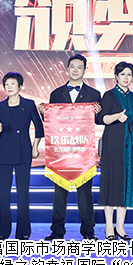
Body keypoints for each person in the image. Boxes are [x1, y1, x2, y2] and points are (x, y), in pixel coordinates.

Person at [43, 54, 101, 241]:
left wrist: (98, 113)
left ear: (85, 70)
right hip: (62, 151)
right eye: (72, 67)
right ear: (67, 69)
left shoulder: (94, 94)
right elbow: (52, 120)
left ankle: (88, 231)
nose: (75, 70)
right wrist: (45, 113)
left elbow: (99, 121)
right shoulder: (56, 94)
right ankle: (57, 230)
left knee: (85, 193)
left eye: (79, 67)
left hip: (83, 151)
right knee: (60, 192)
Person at [0, 72, 44, 240]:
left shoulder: (28, 105)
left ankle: (23, 232)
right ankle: (2, 231)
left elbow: (39, 127)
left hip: (23, 151)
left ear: (20, 86)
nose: (9, 87)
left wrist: (35, 147)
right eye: (7, 84)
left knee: (23, 192)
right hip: (5, 151)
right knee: (3, 192)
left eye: (12, 84)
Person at [96, 61, 133, 240]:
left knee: (126, 184)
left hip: (129, 146)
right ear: (116, 76)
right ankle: (109, 227)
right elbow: (102, 119)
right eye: (122, 74)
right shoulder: (109, 95)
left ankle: (120, 227)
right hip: (112, 144)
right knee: (111, 183)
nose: (126, 78)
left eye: (129, 74)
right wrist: (117, 116)